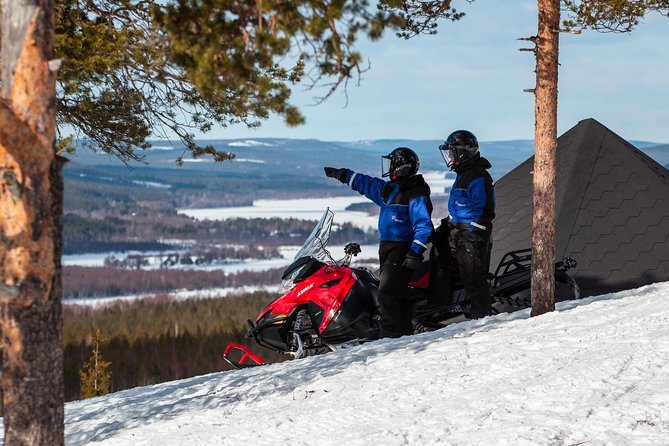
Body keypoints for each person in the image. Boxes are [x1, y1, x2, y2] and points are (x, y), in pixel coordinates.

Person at [324, 147, 433, 338]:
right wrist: (343, 175)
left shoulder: (415, 193)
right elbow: (366, 183)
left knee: (387, 293)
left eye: (392, 163)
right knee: (395, 293)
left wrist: (415, 252)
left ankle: (390, 337)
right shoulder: (389, 190)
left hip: (403, 249)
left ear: (401, 166)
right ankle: (405, 333)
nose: (389, 167)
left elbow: (424, 225)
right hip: (388, 248)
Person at [431, 130, 496, 319]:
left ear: (462, 153)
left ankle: (481, 317)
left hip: (471, 233)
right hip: (457, 229)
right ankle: (441, 306)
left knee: (472, 275)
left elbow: (484, 211)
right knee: (437, 256)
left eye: (452, 152)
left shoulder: (478, 176)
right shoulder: (464, 174)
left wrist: (472, 234)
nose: (449, 157)